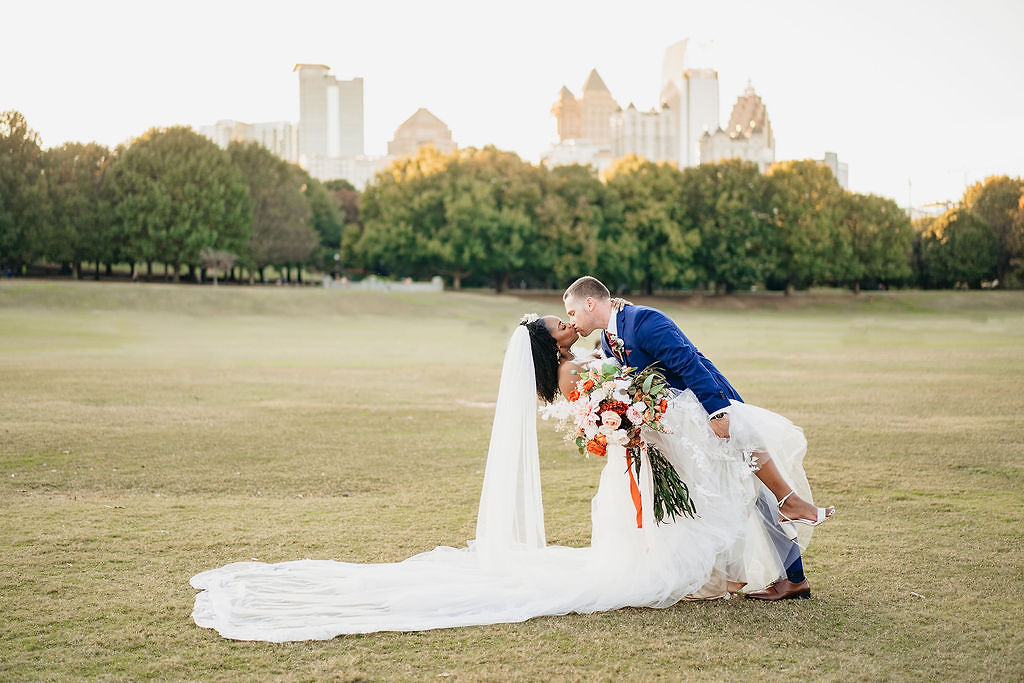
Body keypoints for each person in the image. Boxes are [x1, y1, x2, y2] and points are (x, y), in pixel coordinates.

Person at [191, 313, 790, 641]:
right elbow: (611, 414)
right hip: (643, 446)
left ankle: (729, 570)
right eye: (558, 323)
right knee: (684, 516)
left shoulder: (582, 362)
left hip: (647, 448)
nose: (566, 322)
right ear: (548, 343)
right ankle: (728, 567)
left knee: (689, 509)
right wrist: (635, 410)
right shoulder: (574, 376)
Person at [562, 276, 834, 600]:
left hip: (705, 410)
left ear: (589, 303)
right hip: (683, 424)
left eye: (572, 311)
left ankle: (791, 551)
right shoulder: (609, 339)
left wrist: (717, 410)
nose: (572, 320)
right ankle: (790, 572)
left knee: (752, 485)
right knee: (745, 488)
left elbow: (688, 361)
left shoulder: (644, 320)